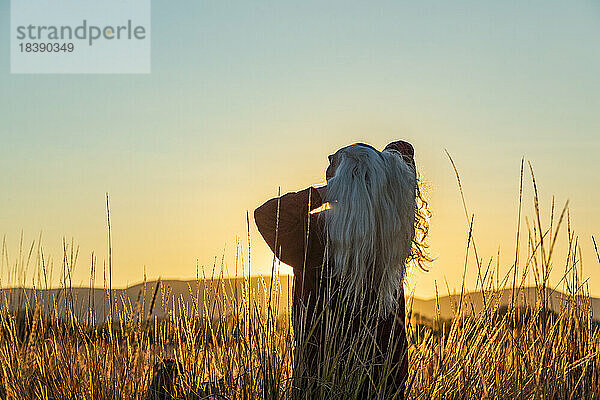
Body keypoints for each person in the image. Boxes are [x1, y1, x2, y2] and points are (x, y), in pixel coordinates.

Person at [254, 141, 429, 399]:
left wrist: (330, 191)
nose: (328, 156)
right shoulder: (390, 238)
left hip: (320, 382)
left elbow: (268, 215)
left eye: (335, 162)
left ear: (343, 183)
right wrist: (372, 178)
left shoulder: (315, 238)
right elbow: (403, 150)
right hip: (385, 384)